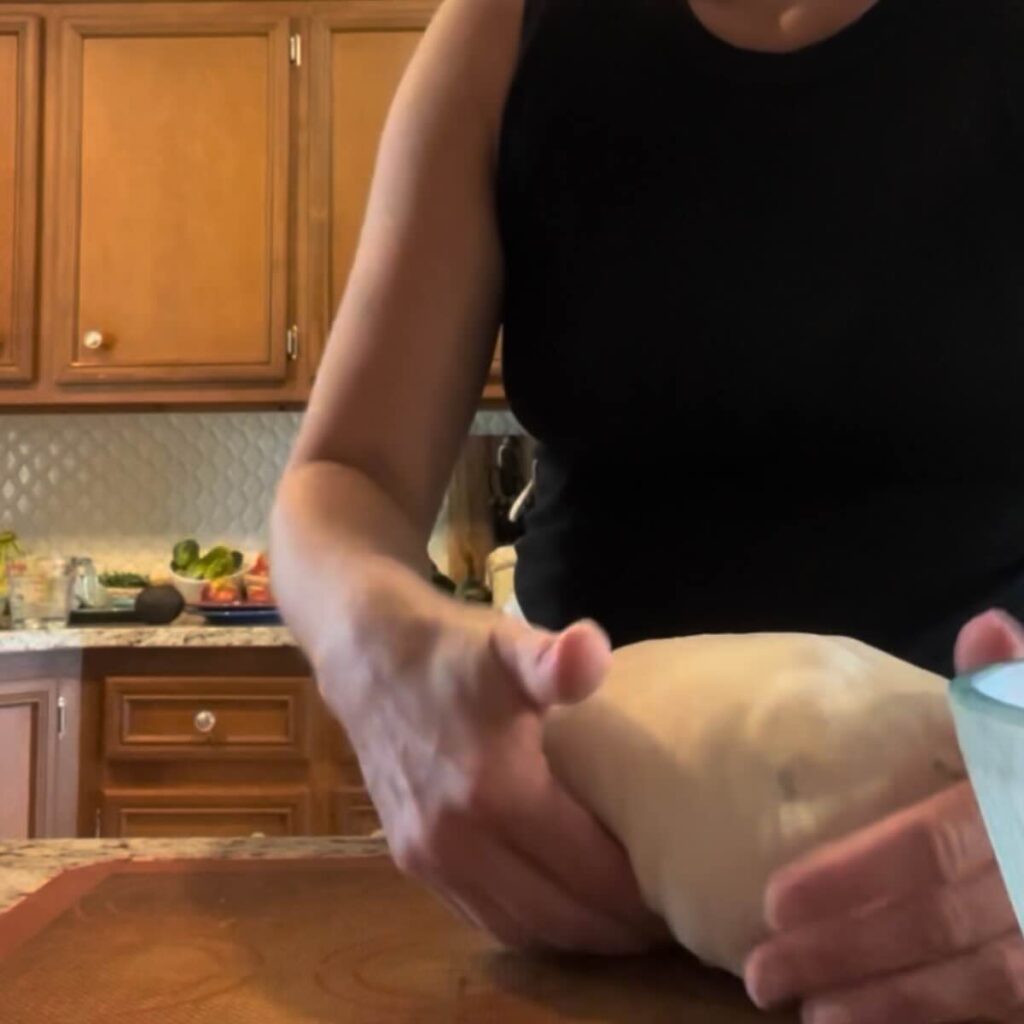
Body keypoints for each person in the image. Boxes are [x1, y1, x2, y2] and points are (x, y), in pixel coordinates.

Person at [270, 0, 1024, 1019]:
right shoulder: (505, 29)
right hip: (580, 917)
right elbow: (345, 476)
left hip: (985, 912)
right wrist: (368, 650)